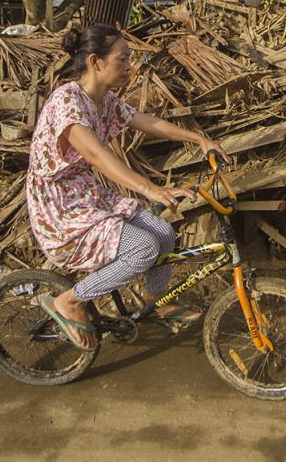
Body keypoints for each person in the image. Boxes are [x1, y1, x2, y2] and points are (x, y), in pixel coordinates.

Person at [25, 23, 226, 350]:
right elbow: (96, 155)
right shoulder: (67, 102)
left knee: (162, 231)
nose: (130, 66)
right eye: (123, 59)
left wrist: (199, 139)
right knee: (144, 247)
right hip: (61, 210)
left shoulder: (104, 100)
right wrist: (151, 189)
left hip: (87, 197)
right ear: (96, 62)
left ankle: (159, 300)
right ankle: (72, 300)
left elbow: (147, 121)